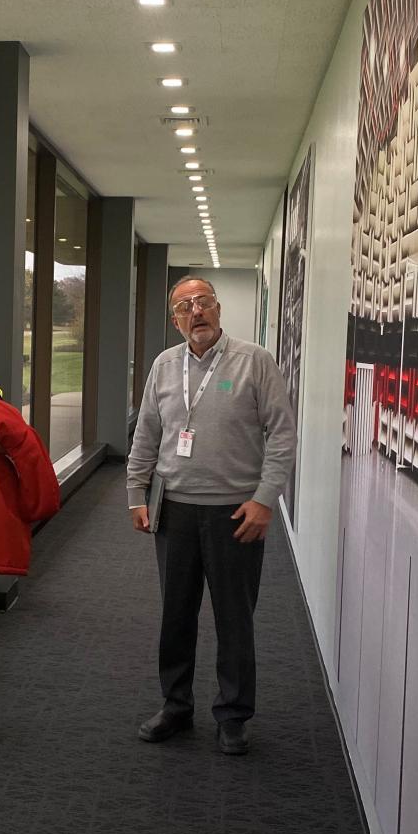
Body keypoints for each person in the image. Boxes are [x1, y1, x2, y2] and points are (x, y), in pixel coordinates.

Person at [127, 277, 298, 755]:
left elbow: (282, 434)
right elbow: (146, 433)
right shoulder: (164, 365)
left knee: (234, 618)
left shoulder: (254, 361)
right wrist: (135, 494)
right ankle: (175, 705)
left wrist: (266, 499)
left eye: (203, 302)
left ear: (218, 310)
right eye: (184, 305)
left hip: (235, 513)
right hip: (174, 510)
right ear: (175, 319)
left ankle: (234, 714)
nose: (195, 311)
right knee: (175, 616)